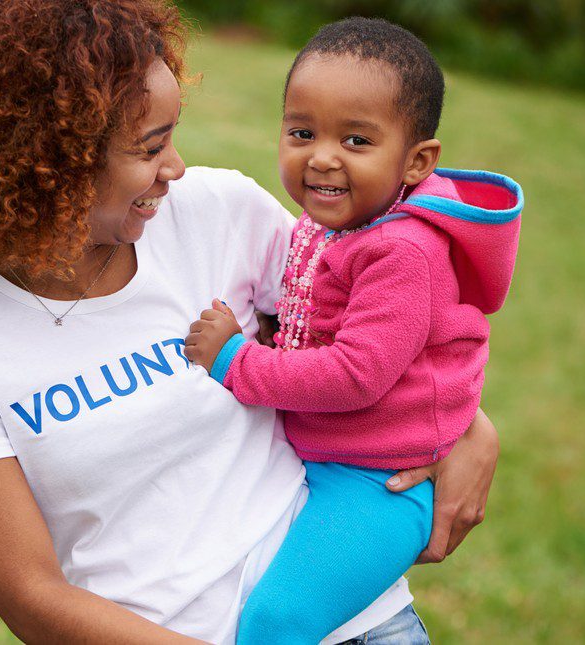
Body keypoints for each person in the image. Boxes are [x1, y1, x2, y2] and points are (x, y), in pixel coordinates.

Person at [0, 1, 500, 643]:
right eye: (150, 147)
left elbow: (387, 330)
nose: (176, 167)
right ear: (47, 160)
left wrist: (473, 429)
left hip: (360, 627)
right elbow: (30, 596)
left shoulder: (220, 211)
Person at [183, 18, 522, 645]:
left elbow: (354, 375)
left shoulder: (403, 253)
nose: (322, 156)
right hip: (320, 458)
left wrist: (234, 359)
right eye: (302, 132)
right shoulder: (338, 225)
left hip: (376, 481)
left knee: (275, 623)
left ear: (417, 161)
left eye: (357, 140)